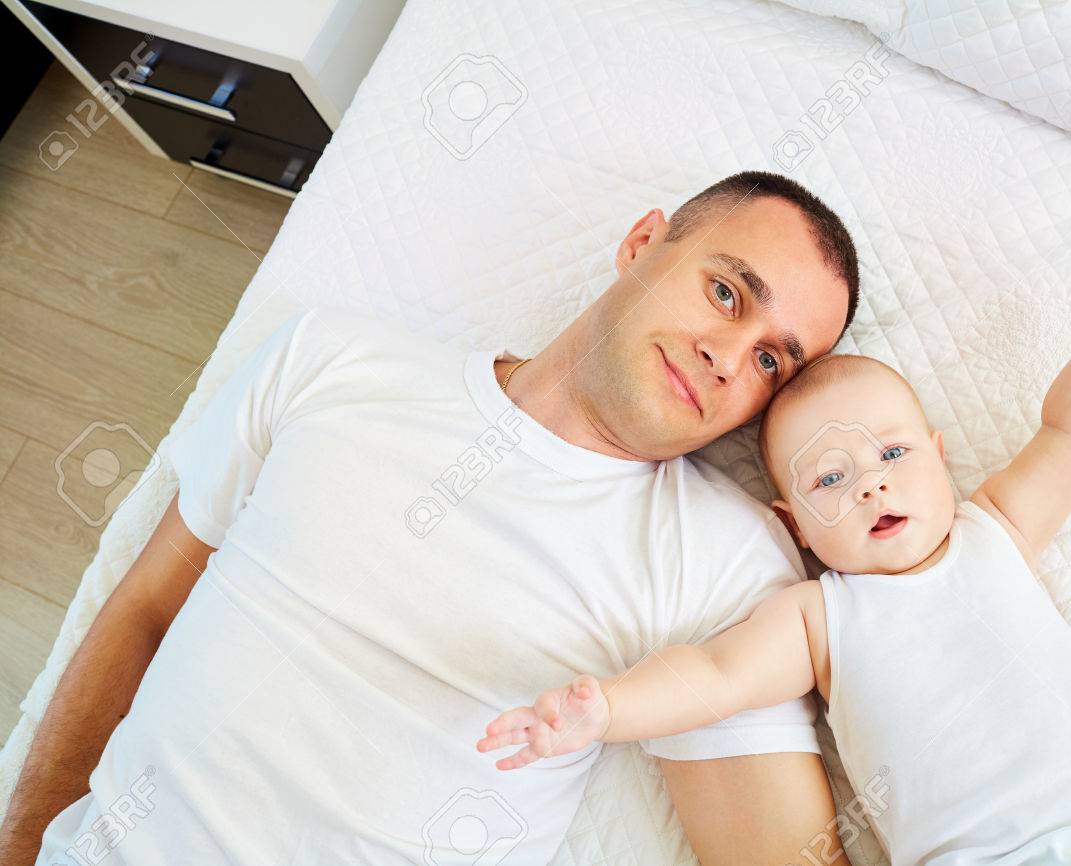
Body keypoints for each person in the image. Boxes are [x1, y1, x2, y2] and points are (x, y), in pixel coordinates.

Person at [0, 171, 860, 865]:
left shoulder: (724, 565)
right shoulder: (330, 360)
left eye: (772, 361)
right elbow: (146, 607)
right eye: (724, 292)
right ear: (642, 242)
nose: (727, 357)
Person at [480, 212, 1071, 865]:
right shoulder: (818, 619)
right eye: (830, 479)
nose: (871, 482)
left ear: (940, 460)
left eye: (894, 454)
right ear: (794, 526)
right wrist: (607, 710)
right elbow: (714, 676)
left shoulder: (994, 528)